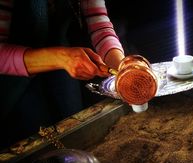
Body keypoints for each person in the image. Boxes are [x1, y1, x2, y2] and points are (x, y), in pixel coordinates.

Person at [0, 0, 125, 149]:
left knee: (76, 136)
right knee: (39, 146)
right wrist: (60, 57)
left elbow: (100, 26)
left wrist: (122, 67)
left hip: (64, 64)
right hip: (14, 76)